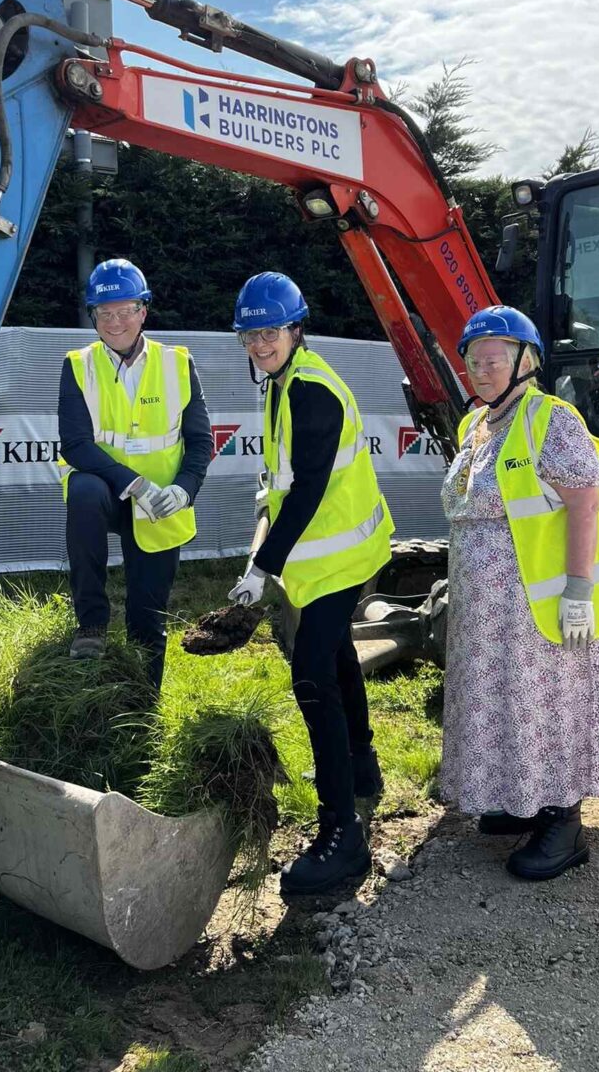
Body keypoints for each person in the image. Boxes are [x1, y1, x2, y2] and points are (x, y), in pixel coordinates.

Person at [440, 304, 599, 880]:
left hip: (539, 604)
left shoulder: (551, 419)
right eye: (473, 361)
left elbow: (586, 501)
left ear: (525, 362)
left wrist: (581, 588)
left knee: (547, 707)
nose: (481, 371)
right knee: (509, 702)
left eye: (494, 360)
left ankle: (563, 821)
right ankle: (522, 796)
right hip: (492, 613)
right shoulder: (477, 426)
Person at [227, 272, 394, 896]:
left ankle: (341, 835)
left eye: (269, 331)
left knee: (311, 674)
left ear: (296, 329)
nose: (260, 344)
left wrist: (262, 567)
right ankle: (363, 768)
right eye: (250, 334)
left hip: (340, 557)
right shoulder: (282, 382)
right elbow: (276, 484)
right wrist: (258, 552)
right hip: (325, 555)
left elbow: (311, 492)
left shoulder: (311, 392)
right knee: (336, 656)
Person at [57, 258, 211, 686]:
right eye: (104, 313)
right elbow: (75, 445)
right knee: (83, 490)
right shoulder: (78, 364)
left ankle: (143, 700)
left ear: (143, 311)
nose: (115, 321)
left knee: (148, 618)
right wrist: (133, 483)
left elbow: (200, 441)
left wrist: (183, 490)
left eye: (125, 310)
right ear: (93, 317)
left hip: (162, 506)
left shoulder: (177, 362)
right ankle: (91, 624)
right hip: (109, 497)